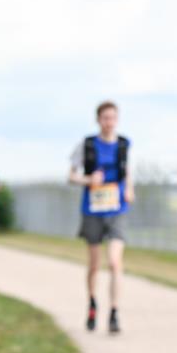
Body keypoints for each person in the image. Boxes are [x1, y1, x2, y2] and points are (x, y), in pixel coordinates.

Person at [68, 101, 134, 334]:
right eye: (105, 118)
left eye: (113, 118)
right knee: (94, 264)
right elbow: (71, 176)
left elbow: (128, 171)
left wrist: (129, 189)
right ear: (98, 120)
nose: (109, 122)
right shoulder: (87, 145)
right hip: (92, 209)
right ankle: (92, 303)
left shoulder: (124, 144)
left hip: (117, 208)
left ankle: (114, 311)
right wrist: (88, 180)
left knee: (115, 262)